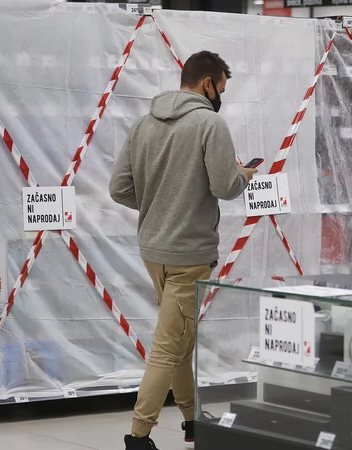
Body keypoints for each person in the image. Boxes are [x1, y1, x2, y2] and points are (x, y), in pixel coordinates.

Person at [110, 50, 258, 450]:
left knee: (179, 340)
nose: (221, 96)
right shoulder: (210, 124)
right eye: (221, 88)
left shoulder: (143, 125)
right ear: (208, 84)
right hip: (189, 255)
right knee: (167, 346)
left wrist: (161, 206)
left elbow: (118, 189)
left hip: (153, 252)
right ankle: (138, 435)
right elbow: (225, 187)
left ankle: (193, 421)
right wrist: (243, 176)